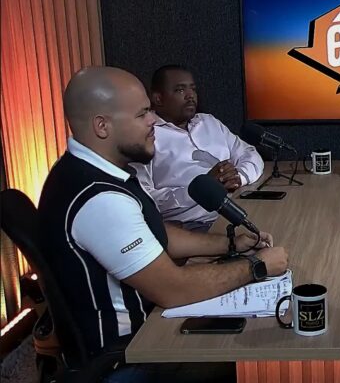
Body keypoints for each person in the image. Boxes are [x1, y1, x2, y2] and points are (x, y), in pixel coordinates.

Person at [37, 67, 289, 382]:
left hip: (144, 332)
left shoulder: (89, 170)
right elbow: (173, 289)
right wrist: (257, 266)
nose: (153, 121)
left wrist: (230, 243)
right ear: (102, 126)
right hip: (132, 353)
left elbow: (156, 233)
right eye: (142, 114)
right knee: (265, 358)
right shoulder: (100, 199)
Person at [133, 65, 264, 232]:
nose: (190, 96)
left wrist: (239, 177)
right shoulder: (145, 136)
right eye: (180, 90)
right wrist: (202, 189)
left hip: (241, 208)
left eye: (193, 89)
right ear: (158, 98)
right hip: (196, 226)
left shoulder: (209, 122)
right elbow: (144, 200)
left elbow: (249, 153)